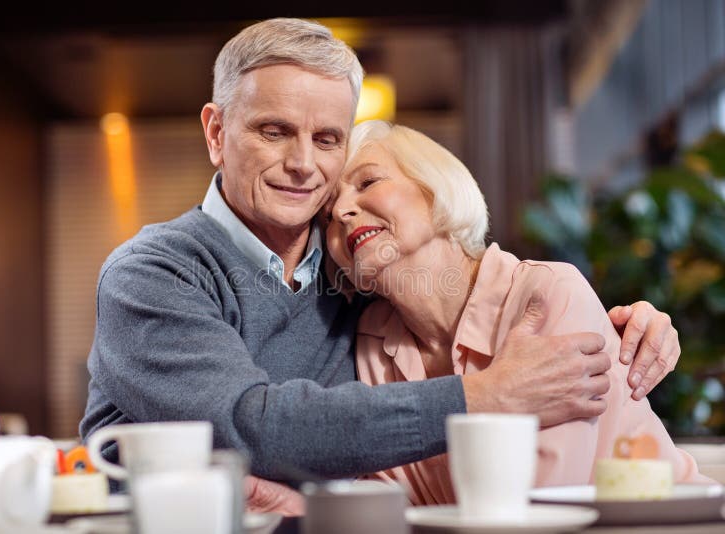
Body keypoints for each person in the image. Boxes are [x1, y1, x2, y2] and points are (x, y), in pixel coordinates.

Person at [80, 18, 680, 508]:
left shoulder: (358, 286)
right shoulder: (153, 272)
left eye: (328, 141)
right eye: (274, 131)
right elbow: (250, 426)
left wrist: (633, 325)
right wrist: (484, 396)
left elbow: (464, 295)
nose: (304, 166)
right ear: (216, 133)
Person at [325, 120, 707, 506]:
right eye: (326, 213)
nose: (340, 210)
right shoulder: (370, 338)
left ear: (434, 188)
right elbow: (392, 505)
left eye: (368, 182)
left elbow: (540, 509)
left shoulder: (546, 293)